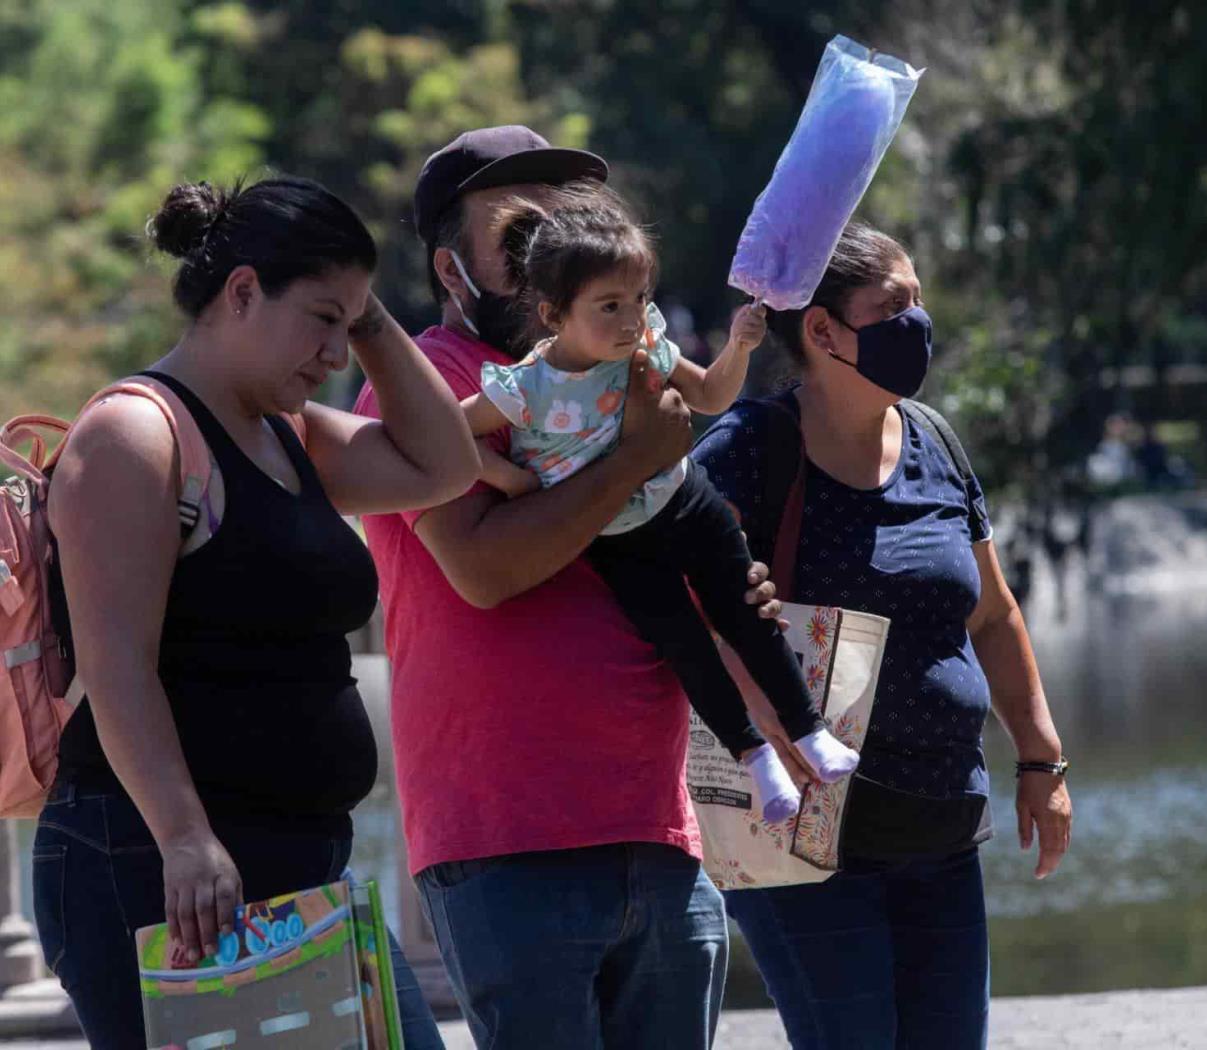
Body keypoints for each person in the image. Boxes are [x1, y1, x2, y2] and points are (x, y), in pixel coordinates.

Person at [353, 125, 783, 1049]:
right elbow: (486, 569)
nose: (553, 239)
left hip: (662, 832)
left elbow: (657, 532)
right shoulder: (427, 386)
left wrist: (732, 585)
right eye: (519, 228)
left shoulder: (634, 363)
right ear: (451, 266)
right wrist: (632, 460)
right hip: (505, 846)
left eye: (571, 217)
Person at [31, 176, 479, 1050]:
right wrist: (185, 836)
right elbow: (116, 661)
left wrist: (363, 309)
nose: (338, 354)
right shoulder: (136, 434)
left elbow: (442, 466)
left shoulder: (288, 434)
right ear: (242, 292)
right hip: (160, 866)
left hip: (299, 865)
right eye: (321, 320)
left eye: (350, 327)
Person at [692, 223, 1073, 1049]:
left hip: (942, 827)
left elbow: (994, 612)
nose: (918, 325)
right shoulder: (750, 450)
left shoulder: (934, 441)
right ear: (822, 331)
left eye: (920, 303)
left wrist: (1041, 761)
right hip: (806, 842)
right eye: (894, 306)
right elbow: (693, 616)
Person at [463, 186, 858, 822]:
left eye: (639, 299)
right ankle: (756, 760)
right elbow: (452, 435)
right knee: (686, 647)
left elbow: (709, 399)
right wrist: (509, 480)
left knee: (747, 612)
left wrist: (740, 347)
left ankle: (810, 730)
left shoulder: (645, 344)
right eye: (609, 305)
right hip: (616, 538)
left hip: (684, 497)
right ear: (553, 313)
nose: (630, 319)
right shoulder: (528, 385)